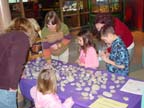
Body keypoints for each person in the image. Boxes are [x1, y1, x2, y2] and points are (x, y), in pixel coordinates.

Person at [0, 17, 37, 108]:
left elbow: (7, 60)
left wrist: (20, 72)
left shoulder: (7, 36)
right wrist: (12, 87)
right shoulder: (22, 37)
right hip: (4, 85)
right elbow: (13, 63)